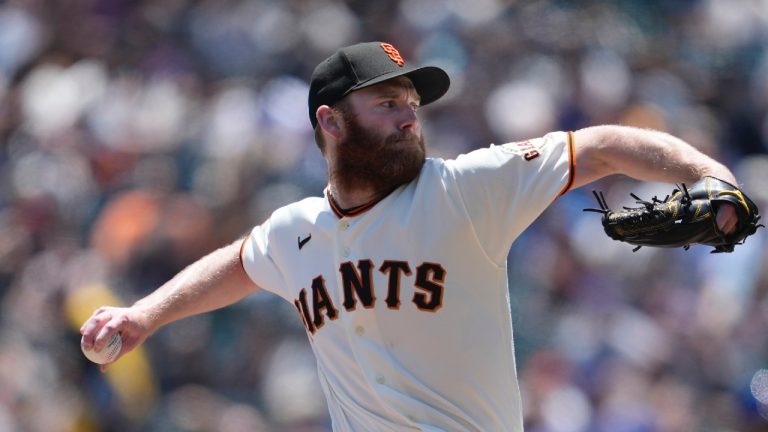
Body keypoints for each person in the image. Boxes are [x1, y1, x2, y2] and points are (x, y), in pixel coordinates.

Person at [80, 41, 740, 431]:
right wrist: (143, 316)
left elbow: (599, 147)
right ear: (330, 122)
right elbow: (238, 263)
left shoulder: (464, 189)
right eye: (387, 103)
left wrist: (708, 174)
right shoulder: (297, 231)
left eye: (411, 105)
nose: (408, 119)